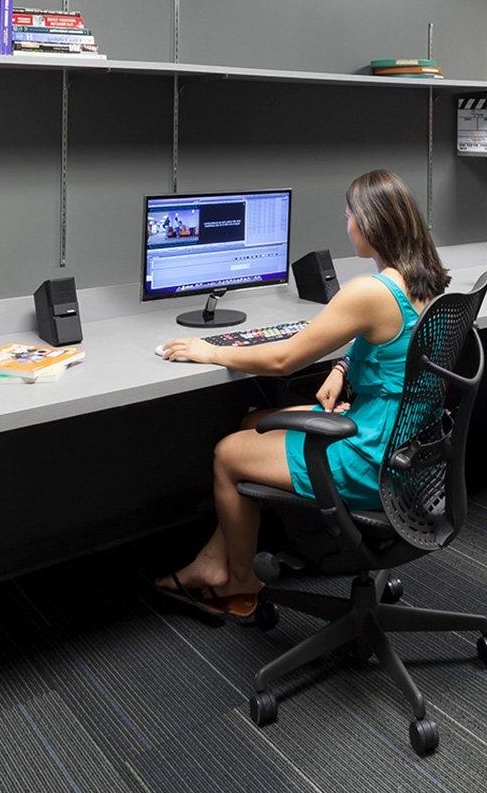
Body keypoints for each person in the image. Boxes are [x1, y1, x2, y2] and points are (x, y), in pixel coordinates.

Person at [154, 169, 450, 618]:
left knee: (228, 454)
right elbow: (395, 341)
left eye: (350, 215)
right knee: (252, 423)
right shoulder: (425, 280)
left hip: (373, 457)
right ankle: (214, 563)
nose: (346, 223)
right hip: (409, 447)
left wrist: (209, 350)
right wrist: (342, 365)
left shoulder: (369, 291)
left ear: (369, 224)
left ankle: (237, 581)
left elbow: (283, 361)